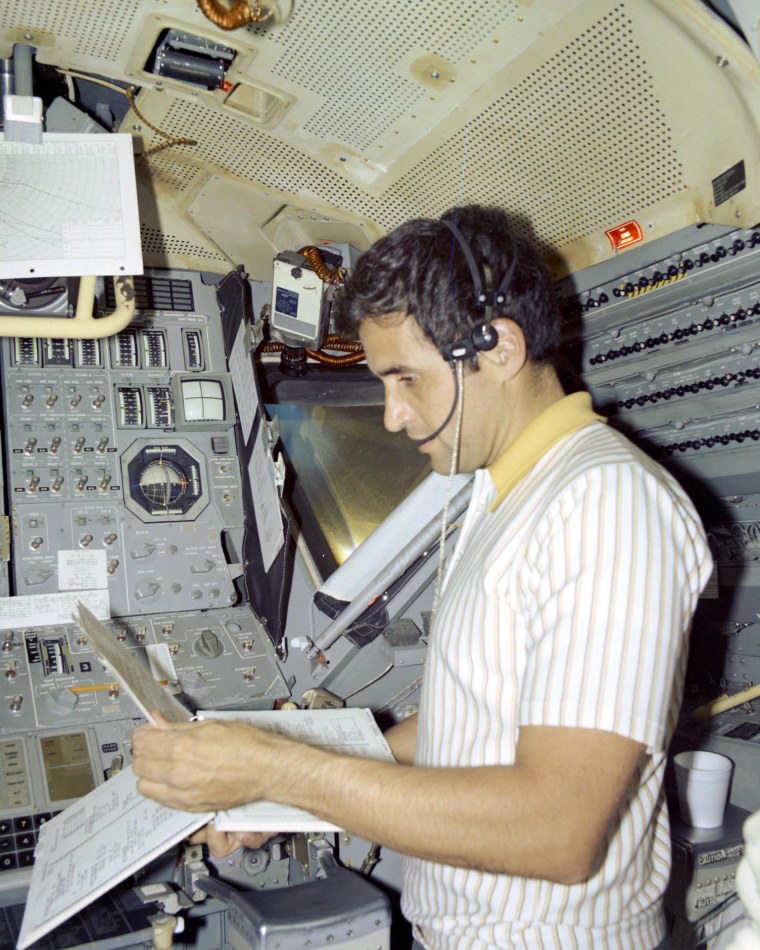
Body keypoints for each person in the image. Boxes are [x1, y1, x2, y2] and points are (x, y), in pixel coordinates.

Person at [132, 205, 713, 949]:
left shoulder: (606, 503)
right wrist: (267, 789)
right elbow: (466, 726)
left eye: (406, 379)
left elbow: (559, 831)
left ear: (499, 348)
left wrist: (277, 770)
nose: (394, 416)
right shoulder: (511, 492)